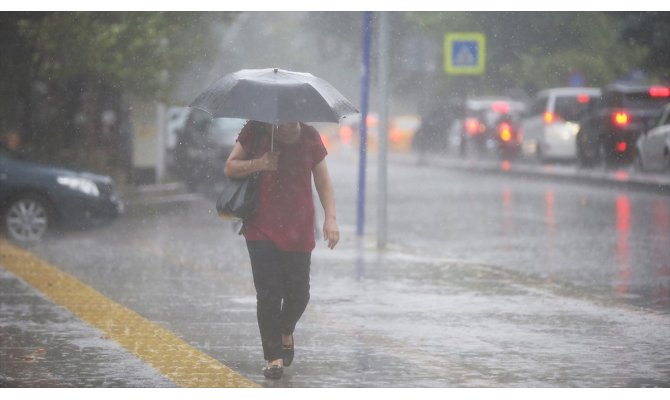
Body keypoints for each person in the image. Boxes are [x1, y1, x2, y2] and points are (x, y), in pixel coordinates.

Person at [224, 120, 340, 379]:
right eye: (282, 119)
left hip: (298, 225)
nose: (286, 124)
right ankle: (272, 357)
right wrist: (260, 163)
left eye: (292, 118)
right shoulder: (256, 130)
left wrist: (330, 217)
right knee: (268, 294)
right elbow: (230, 167)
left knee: (299, 294)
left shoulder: (310, 136)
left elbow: (322, 180)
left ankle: (285, 329)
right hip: (260, 225)